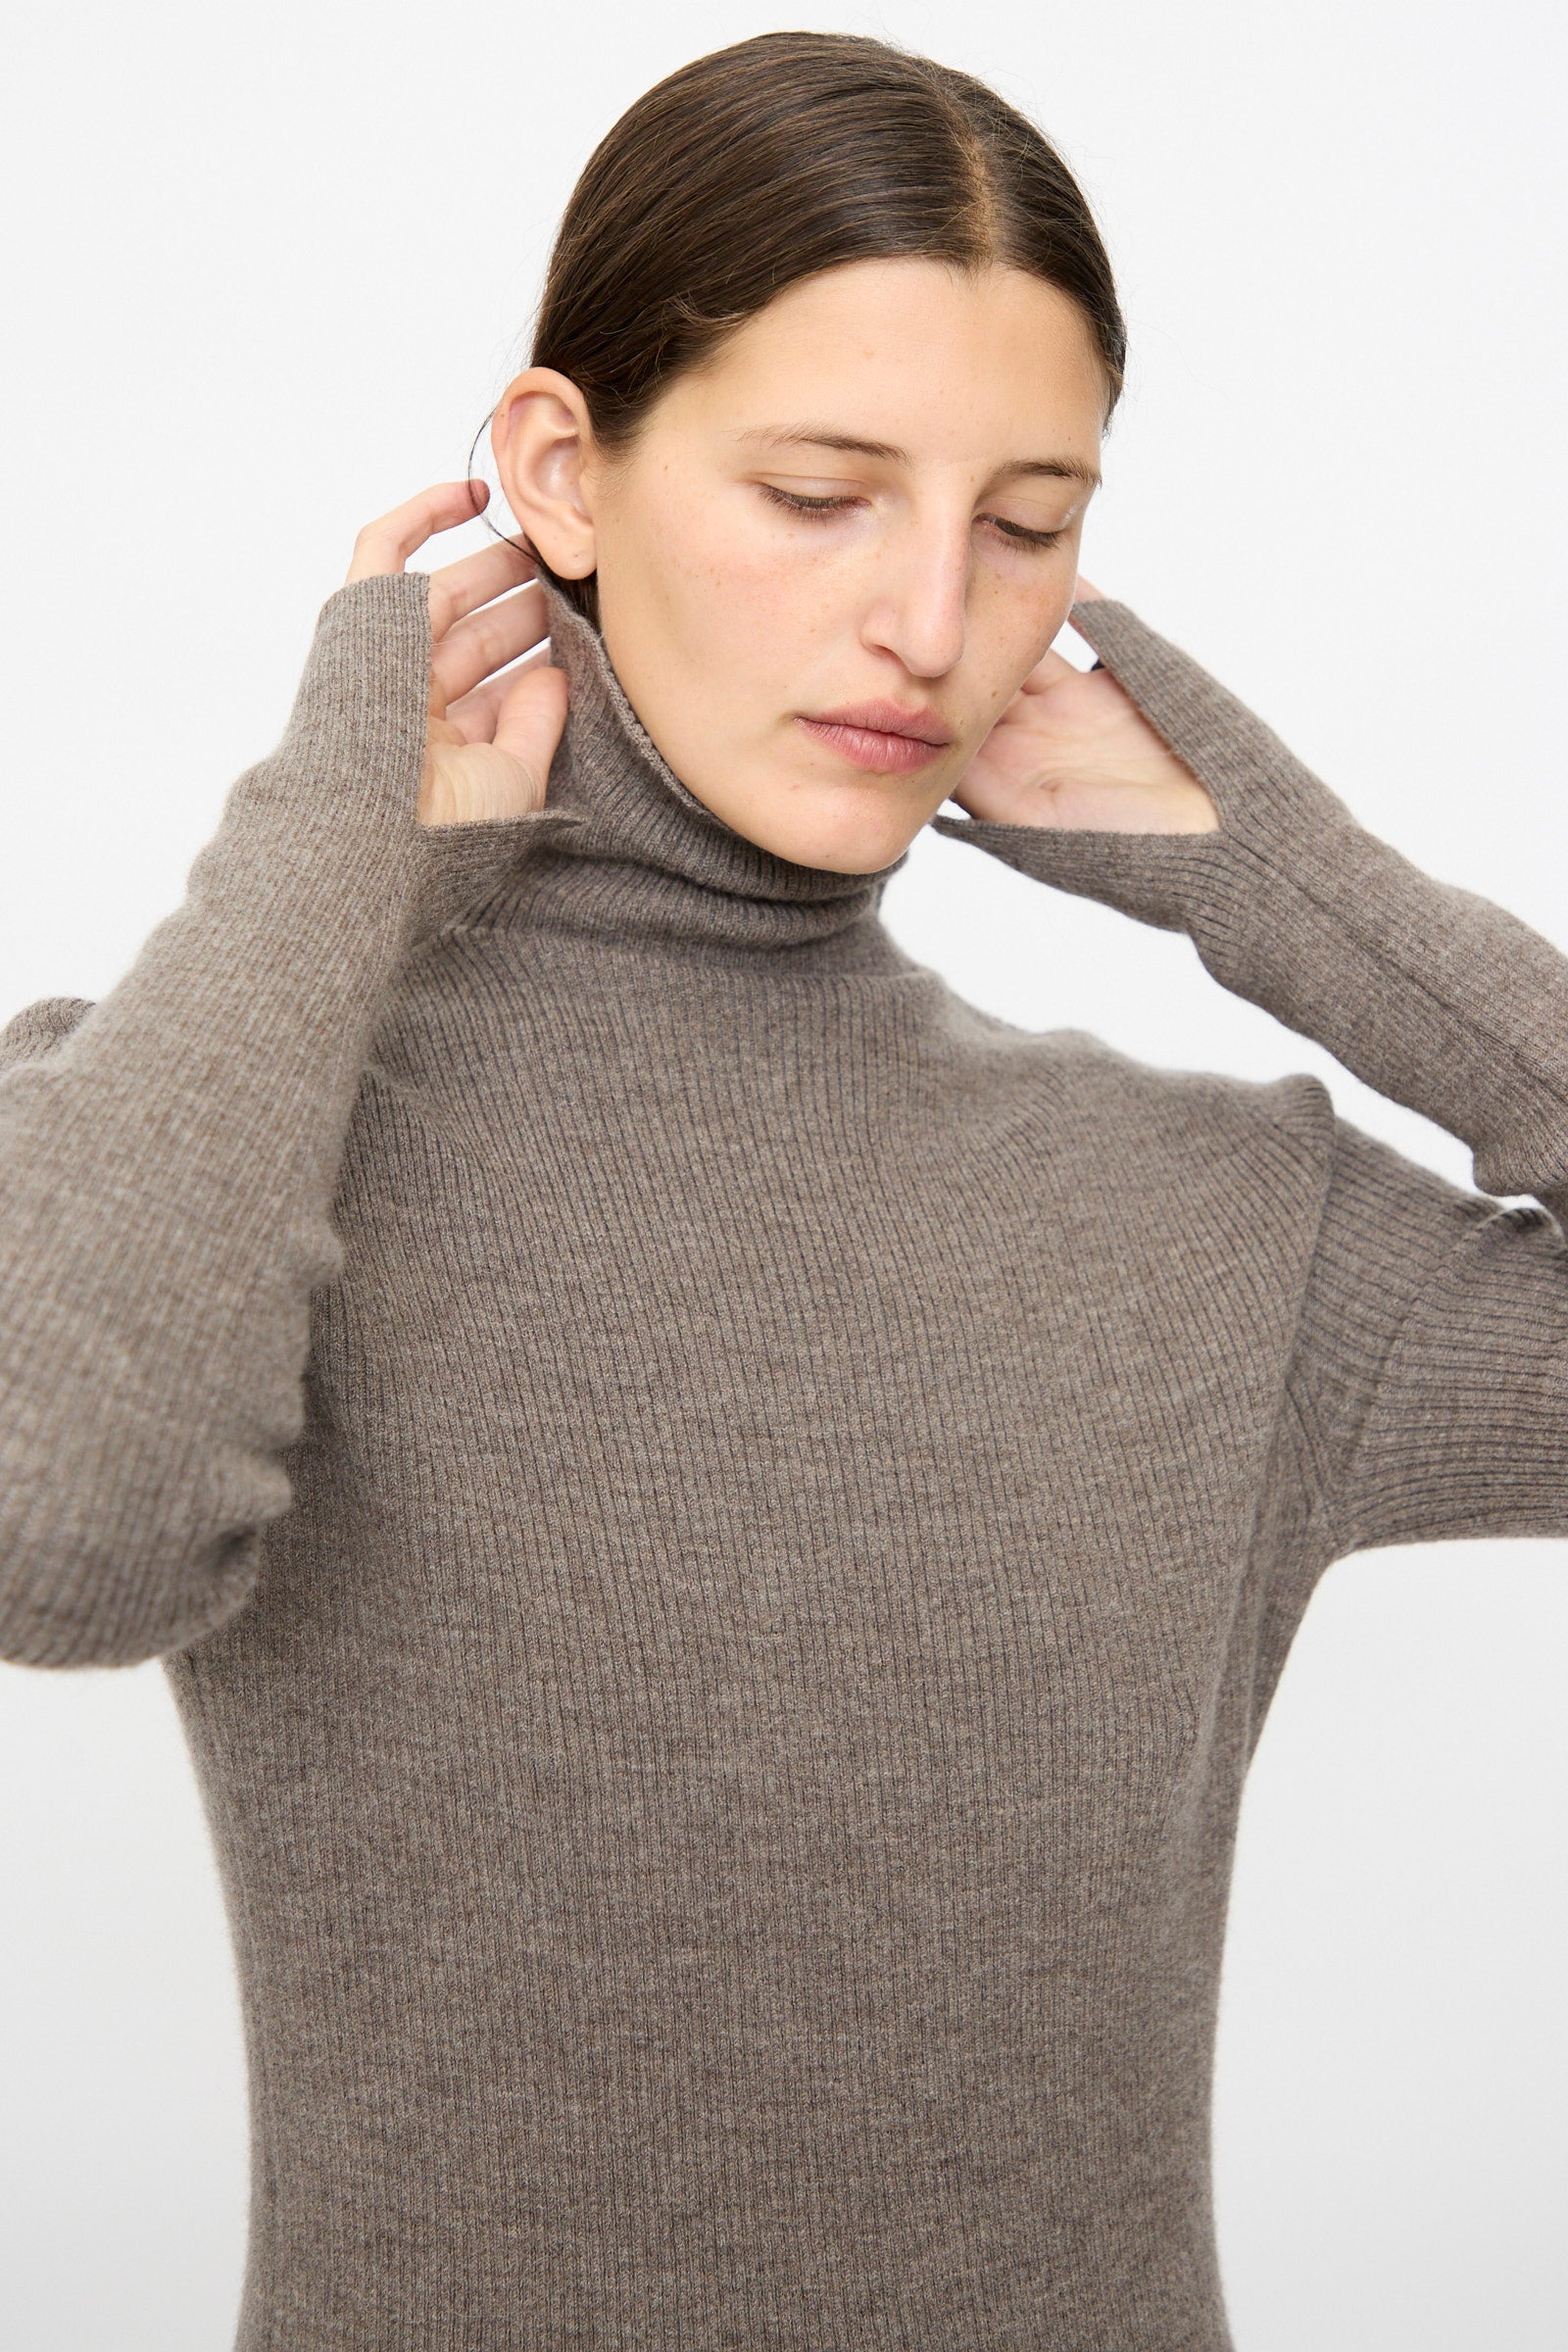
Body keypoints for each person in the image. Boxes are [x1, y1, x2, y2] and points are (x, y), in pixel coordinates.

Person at [1, 27, 1563, 2351]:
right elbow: (63, 1540)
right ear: (559, 470)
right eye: (823, 492)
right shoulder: (197, 1143)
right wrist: (333, 829)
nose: (930, 623)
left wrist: (1300, 888)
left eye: (1023, 524)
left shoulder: (1226, 1228)